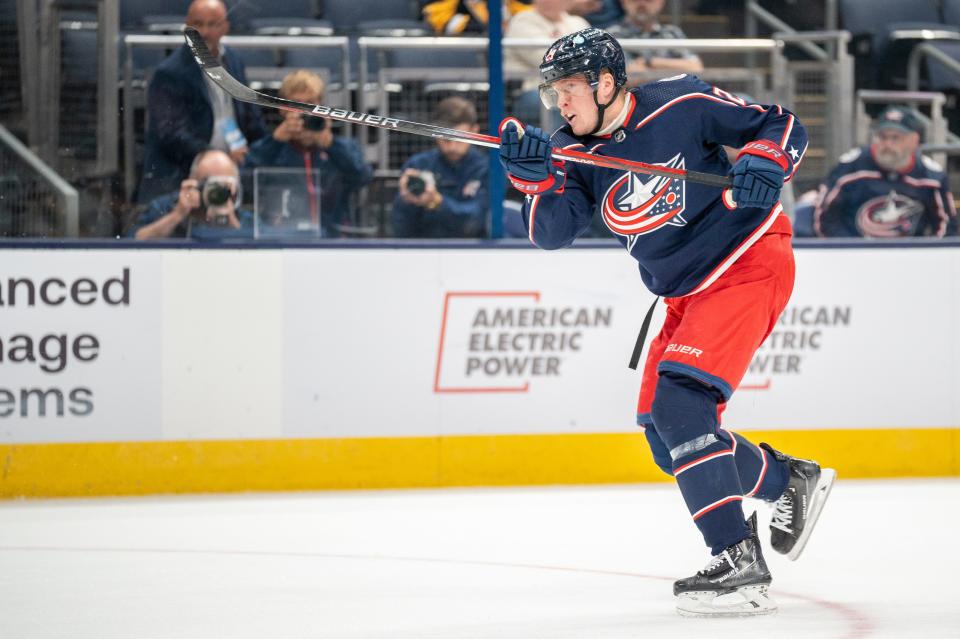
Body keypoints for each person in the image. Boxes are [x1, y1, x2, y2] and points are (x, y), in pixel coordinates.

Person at [497, 27, 834, 617]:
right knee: (664, 437)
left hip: (747, 260)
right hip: (684, 293)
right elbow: (552, 235)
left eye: (570, 89)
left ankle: (736, 557)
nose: (561, 103)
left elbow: (780, 124)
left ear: (606, 83)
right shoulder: (569, 150)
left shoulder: (680, 102)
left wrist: (764, 158)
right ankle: (787, 482)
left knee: (683, 406)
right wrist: (538, 182)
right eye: (555, 93)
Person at [136, 0, 265, 204]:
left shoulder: (235, 61)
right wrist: (218, 157)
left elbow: (251, 118)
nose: (204, 32)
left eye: (213, 24)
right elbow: (171, 134)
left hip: (233, 168)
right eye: (197, 24)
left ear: (225, 28)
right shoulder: (169, 73)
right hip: (183, 173)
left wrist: (261, 148)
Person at [243, 70, 373, 237]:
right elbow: (246, 181)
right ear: (283, 110)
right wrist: (275, 141)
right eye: (296, 104)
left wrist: (331, 145)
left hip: (333, 239)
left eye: (310, 104)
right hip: (281, 238)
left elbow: (363, 177)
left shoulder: (342, 147)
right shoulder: (270, 148)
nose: (304, 112)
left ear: (322, 108)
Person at [812, 105, 957, 238]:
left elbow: (946, 226)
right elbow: (824, 218)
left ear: (914, 140)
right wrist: (851, 250)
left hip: (910, 258)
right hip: (855, 257)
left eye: (895, 138)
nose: (887, 144)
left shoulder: (932, 177)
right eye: (882, 137)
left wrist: (924, 256)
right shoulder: (850, 168)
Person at [392, 97, 489, 238]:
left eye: (459, 138)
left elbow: (478, 218)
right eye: (446, 138)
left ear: (474, 131)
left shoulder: (487, 168)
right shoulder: (418, 165)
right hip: (422, 248)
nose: (452, 147)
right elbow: (400, 224)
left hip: (474, 250)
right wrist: (406, 199)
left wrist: (437, 201)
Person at [129, 149, 253, 240]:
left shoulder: (240, 215)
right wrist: (177, 215)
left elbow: (266, 244)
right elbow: (130, 244)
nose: (216, 193)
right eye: (209, 184)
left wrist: (231, 223)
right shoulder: (166, 206)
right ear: (193, 182)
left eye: (223, 187)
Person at [505, 0, 591, 127]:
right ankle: (556, 145)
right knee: (556, 99)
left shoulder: (578, 23)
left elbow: (595, 55)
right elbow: (547, 61)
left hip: (576, 87)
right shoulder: (522, 21)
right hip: (530, 90)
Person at [607, 0, 703, 75]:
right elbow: (626, 77)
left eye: (648, 0)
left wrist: (649, 62)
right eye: (635, 0)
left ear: (660, 2)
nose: (641, 4)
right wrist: (674, 70)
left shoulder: (672, 33)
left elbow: (696, 68)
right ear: (624, 2)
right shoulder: (610, 35)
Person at [421, 0, 532, 35]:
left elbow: (531, 14)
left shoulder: (511, 5)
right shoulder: (452, 5)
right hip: (465, 57)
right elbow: (447, 26)